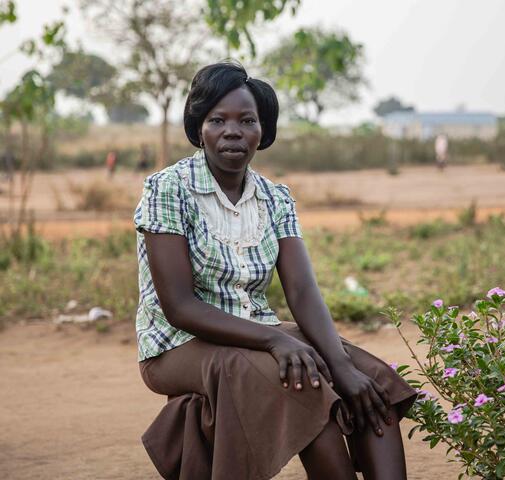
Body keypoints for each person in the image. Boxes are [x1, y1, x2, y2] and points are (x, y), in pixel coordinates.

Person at [134, 61, 417, 480]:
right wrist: (275, 341)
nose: (233, 131)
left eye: (247, 120)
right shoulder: (169, 188)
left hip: (256, 332)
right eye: (218, 120)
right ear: (199, 128)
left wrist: (340, 365)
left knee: (369, 380)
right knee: (301, 380)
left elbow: (302, 293)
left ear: (263, 131)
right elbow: (179, 307)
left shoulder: (275, 197)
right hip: (178, 344)